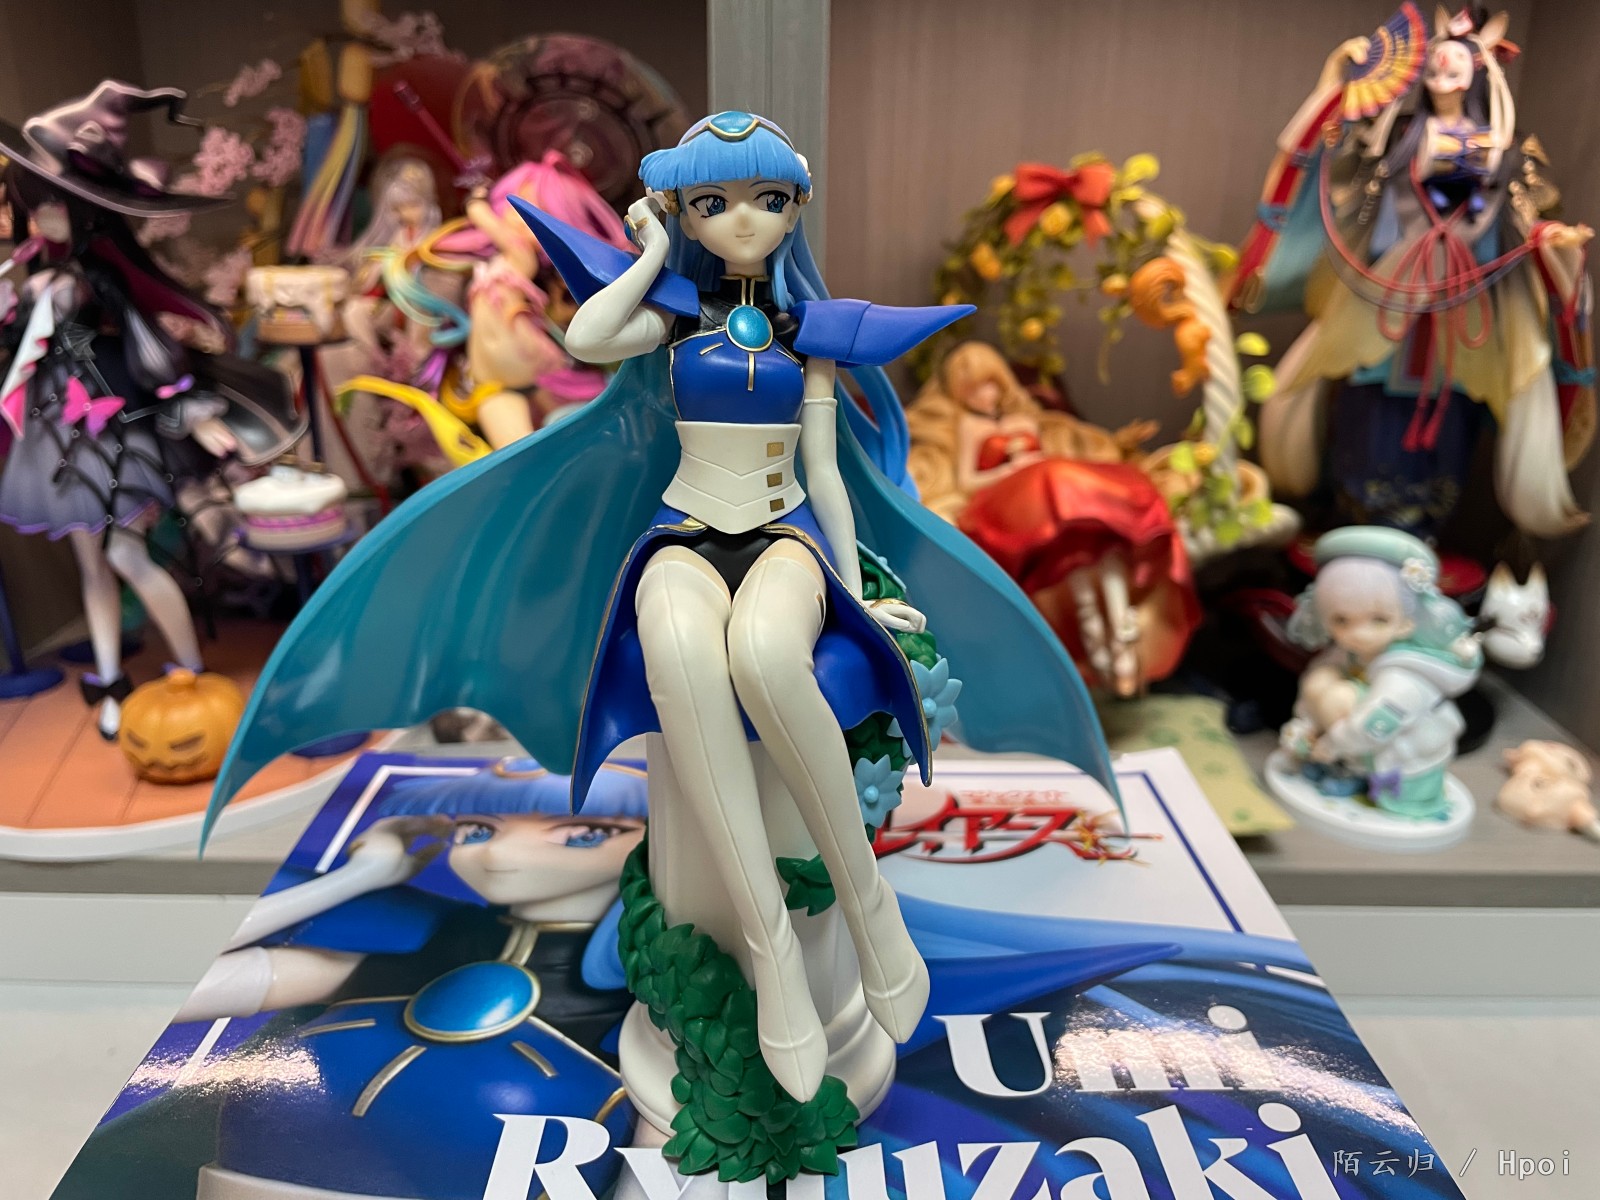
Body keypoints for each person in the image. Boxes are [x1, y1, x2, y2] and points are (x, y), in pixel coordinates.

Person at [0, 82, 299, 735]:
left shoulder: (95, 279)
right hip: (58, 433)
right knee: (91, 563)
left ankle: (190, 669)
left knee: (127, 556)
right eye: (37, 205)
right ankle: (110, 677)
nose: (43, 216)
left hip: (116, 429)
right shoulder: (36, 276)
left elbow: (150, 350)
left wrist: (192, 409)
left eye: (55, 205)